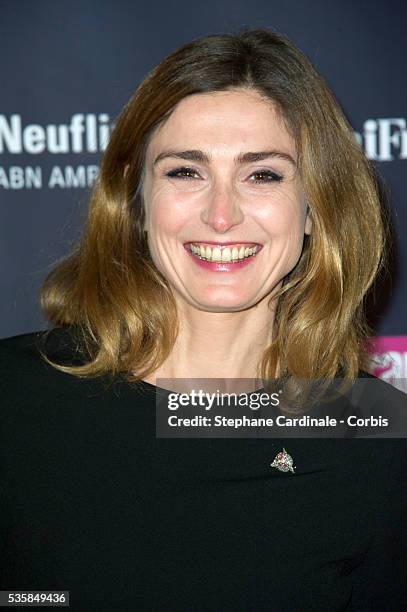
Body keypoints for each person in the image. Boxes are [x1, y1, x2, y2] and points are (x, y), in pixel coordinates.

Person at [0, 27, 406, 611]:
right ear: (135, 203)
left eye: (262, 174)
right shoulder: (13, 399)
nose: (221, 215)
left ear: (317, 208)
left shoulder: (377, 438)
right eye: (185, 172)